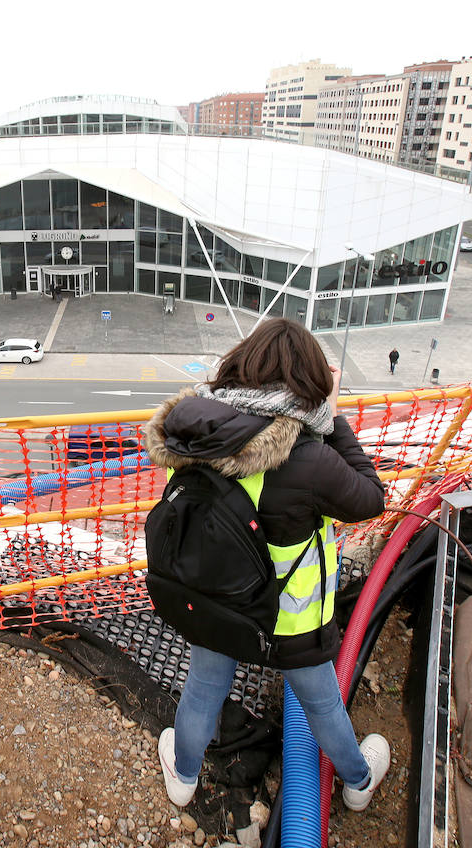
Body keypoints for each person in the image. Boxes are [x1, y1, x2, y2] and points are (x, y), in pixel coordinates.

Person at [145, 318, 390, 814]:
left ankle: (185, 776)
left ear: (242, 363)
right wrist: (333, 416)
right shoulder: (308, 457)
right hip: (291, 618)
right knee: (321, 702)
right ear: (309, 385)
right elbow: (370, 498)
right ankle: (358, 780)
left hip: (221, 599)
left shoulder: (202, 431)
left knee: (204, 686)